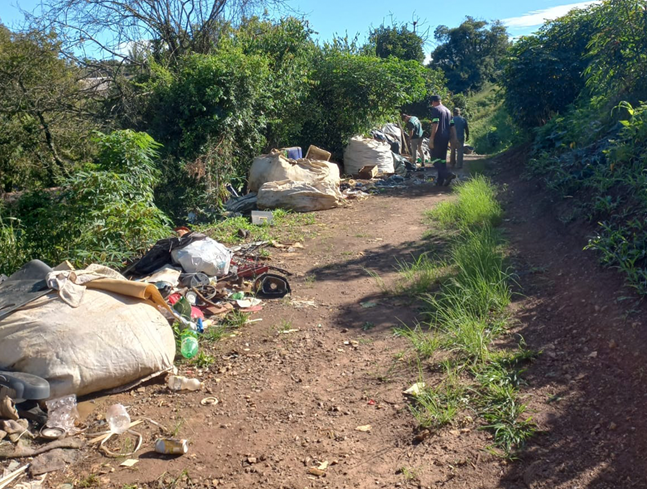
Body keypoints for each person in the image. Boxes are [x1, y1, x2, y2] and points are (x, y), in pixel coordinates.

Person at [428, 95, 456, 186]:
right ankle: (440, 181)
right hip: (445, 138)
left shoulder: (436, 110)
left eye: (432, 103)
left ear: (433, 102)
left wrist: (432, 138)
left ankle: (447, 175)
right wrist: (454, 138)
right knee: (442, 160)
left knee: (434, 159)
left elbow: (435, 124)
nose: (432, 105)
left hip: (438, 137)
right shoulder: (448, 111)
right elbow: (452, 126)